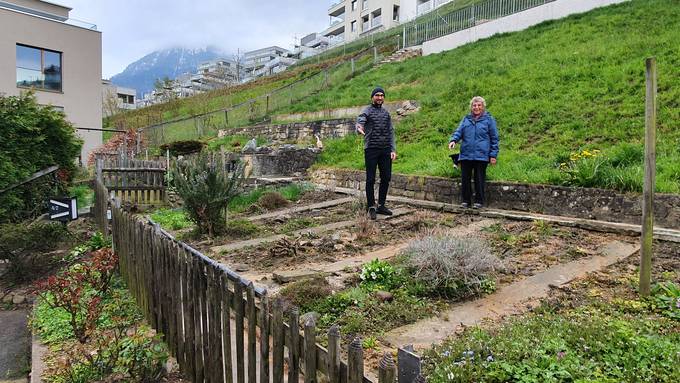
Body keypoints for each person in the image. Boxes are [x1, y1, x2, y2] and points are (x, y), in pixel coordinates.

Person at [448, 96, 499, 209]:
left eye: (479, 105)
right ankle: (466, 201)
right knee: (465, 179)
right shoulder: (466, 119)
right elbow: (459, 131)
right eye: (474, 105)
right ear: (471, 107)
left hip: (481, 155)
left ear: (483, 107)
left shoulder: (489, 120)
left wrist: (493, 155)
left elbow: (494, 138)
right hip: (466, 153)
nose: (476, 107)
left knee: (479, 179)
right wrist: (453, 140)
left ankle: (479, 201)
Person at [356, 86, 397, 220]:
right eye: (377, 95)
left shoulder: (386, 113)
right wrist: (359, 127)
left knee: (386, 177)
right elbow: (360, 120)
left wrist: (393, 149)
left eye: (381, 95)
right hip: (371, 149)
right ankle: (371, 207)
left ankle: (381, 205)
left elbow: (391, 132)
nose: (379, 97)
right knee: (371, 179)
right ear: (372, 97)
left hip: (385, 149)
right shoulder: (367, 111)